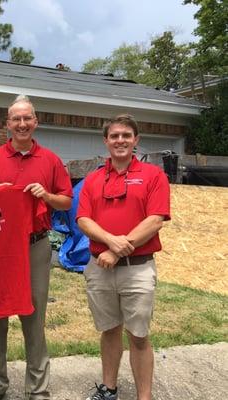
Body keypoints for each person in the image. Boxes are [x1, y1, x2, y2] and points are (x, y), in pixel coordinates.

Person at [0, 95, 73, 400]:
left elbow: (67, 201)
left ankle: (38, 389)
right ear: (7, 123)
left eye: (27, 118)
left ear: (35, 122)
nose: (21, 124)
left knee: (34, 316)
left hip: (35, 246)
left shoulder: (51, 160)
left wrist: (45, 195)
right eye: (16, 119)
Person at [76, 114, 170, 400]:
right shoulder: (92, 179)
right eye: (114, 136)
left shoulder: (154, 176)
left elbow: (155, 220)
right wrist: (110, 242)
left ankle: (145, 396)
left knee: (139, 336)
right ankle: (109, 389)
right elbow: (83, 220)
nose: (120, 140)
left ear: (136, 140)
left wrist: (115, 250)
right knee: (109, 330)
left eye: (126, 135)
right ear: (106, 141)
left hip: (137, 270)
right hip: (100, 268)